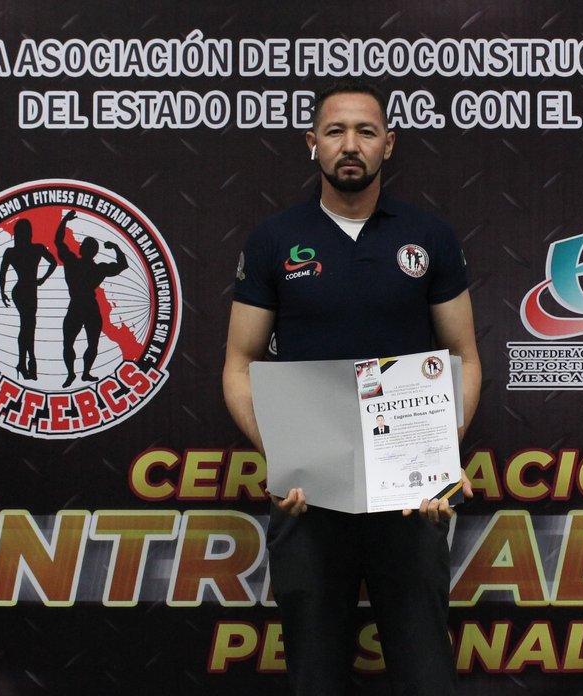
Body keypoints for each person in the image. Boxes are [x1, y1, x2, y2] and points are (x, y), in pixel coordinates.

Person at [222, 79, 481, 696]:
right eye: (335, 131)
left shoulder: (430, 237)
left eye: (366, 131)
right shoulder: (273, 240)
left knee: (426, 674)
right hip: (308, 498)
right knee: (315, 676)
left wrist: (439, 458)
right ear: (311, 143)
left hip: (408, 497)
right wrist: (281, 458)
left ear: (389, 144)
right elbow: (238, 365)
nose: (350, 145)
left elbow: (465, 357)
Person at [54, 210, 129, 387]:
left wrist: (65, 220)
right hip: (88, 307)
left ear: (82, 249)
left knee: (73, 343)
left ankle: (76, 374)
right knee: (86, 343)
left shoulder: (73, 262)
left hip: (78, 306)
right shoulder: (98, 269)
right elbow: (122, 265)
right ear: (95, 252)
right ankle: (80, 373)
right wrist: (115, 247)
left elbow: (58, 241)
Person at [0, 219, 58, 379]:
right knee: (28, 326)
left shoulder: (14, 251)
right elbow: (53, 263)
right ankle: (28, 362)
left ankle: (24, 364)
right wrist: (42, 279)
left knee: (27, 326)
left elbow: (3, 273)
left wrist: (2, 292)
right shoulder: (35, 249)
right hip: (26, 291)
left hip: (24, 291)